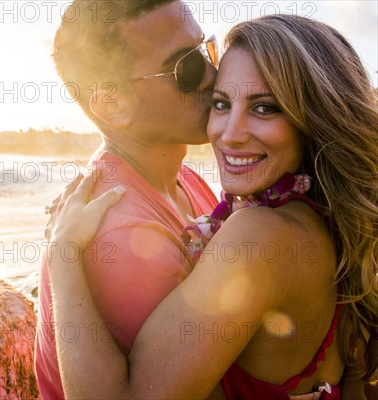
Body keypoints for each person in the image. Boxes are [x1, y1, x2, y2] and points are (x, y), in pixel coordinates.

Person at [45, 14, 378, 399]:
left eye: (265, 108)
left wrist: (61, 255)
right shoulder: (326, 217)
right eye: (222, 102)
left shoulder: (257, 235)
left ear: (315, 115)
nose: (229, 133)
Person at [35, 1, 220, 397]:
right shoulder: (123, 233)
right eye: (185, 67)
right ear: (113, 104)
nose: (212, 75)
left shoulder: (182, 178)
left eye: (207, 51)